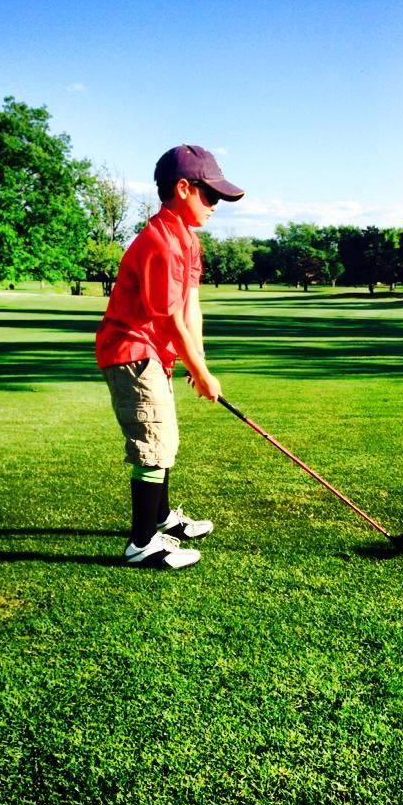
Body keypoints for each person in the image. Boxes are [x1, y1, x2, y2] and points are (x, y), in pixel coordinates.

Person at [95, 144, 245, 569]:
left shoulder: (187, 240)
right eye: (210, 195)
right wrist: (201, 372)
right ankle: (142, 544)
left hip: (152, 351)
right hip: (130, 349)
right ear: (183, 188)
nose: (216, 205)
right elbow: (172, 319)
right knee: (153, 442)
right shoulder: (160, 244)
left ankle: (160, 518)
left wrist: (199, 361)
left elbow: (190, 306)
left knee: (166, 438)